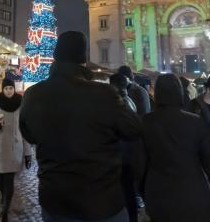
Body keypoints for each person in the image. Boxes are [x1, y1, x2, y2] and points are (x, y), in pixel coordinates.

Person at [19, 31, 142, 222]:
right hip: (102, 201)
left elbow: (29, 134)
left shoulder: (32, 95)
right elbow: (133, 129)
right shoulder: (104, 93)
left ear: (55, 56)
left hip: (55, 201)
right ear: (83, 58)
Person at [142, 74, 210, 222]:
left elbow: (139, 164)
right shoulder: (195, 122)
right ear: (180, 93)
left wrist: (145, 192)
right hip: (193, 194)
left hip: (159, 196)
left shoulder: (145, 123)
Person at [0, 78, 32, 222]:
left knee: (8, 181)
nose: (8, 91)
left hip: (15, 149)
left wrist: (28, 153)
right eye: (6, 88)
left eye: (11, 88)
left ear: (14, 89)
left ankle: (5, 211)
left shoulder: (21, 104)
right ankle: (4, 195)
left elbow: (26, 130)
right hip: (0, 148)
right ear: (3, 89)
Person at [109, 73, 143, 222]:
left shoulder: (119, 102)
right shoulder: (128, 99)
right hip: (130, 154)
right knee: (128, 191)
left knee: (125, 192)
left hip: (121, 154)